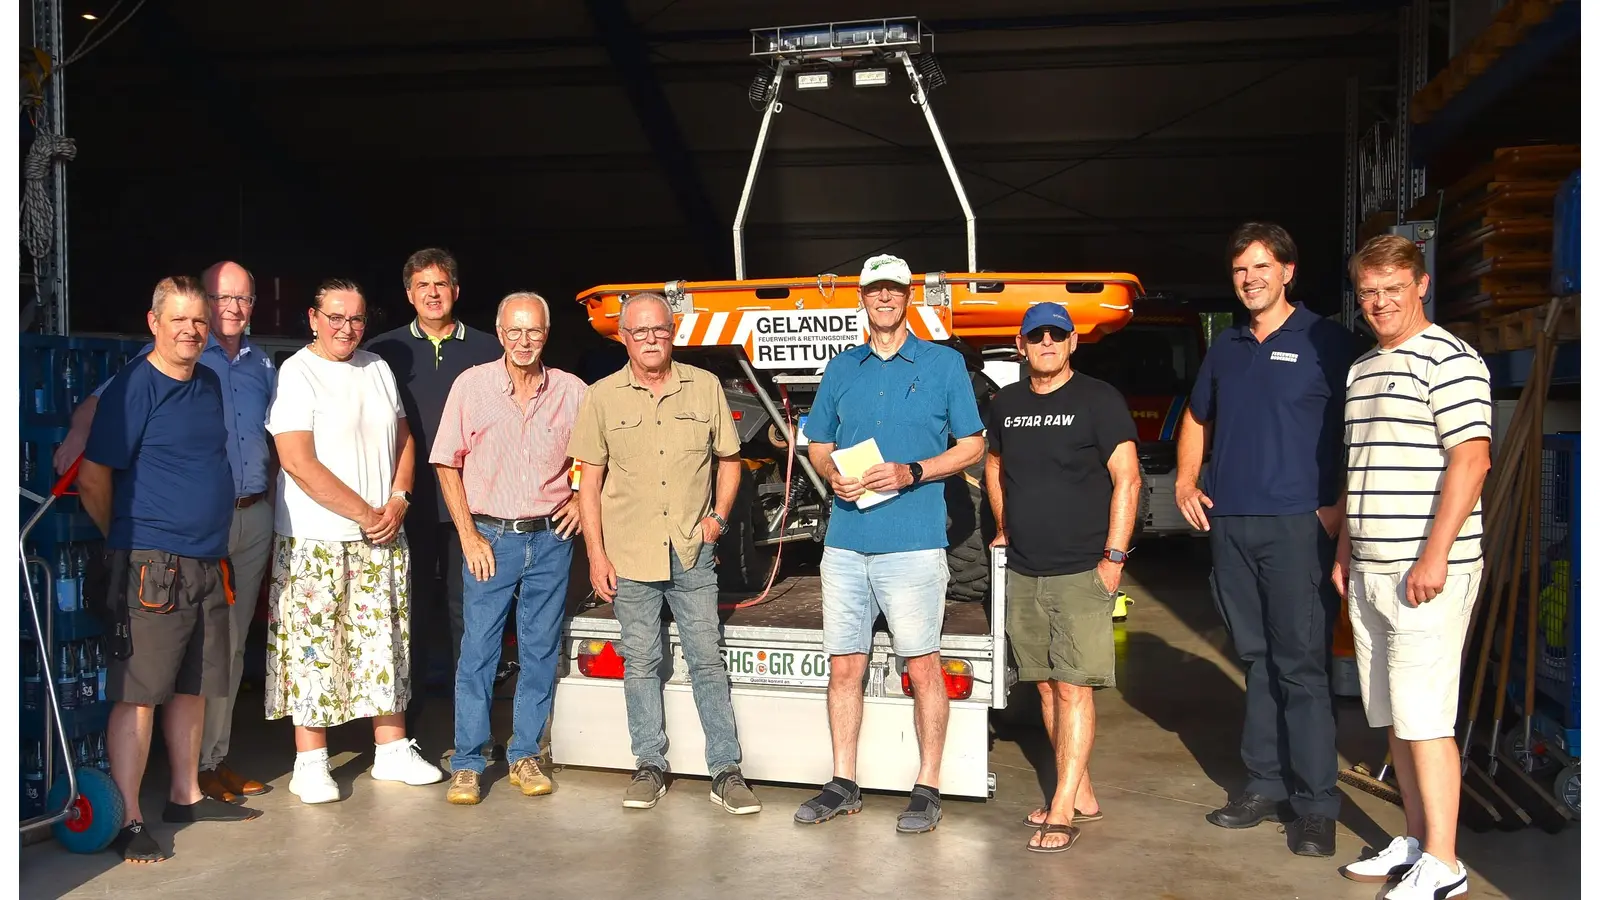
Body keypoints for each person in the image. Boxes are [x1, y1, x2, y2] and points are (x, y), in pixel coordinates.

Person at [55, 261, 278, 803]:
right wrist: (128, 539)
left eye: (198, 320)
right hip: (153, 563)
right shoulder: (135, 384)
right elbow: (92, 479)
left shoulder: (207, 380)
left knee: (195, 686)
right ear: (153, 322)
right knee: (139, 693)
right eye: (178, 319)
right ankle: (130, 815)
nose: (192, 329)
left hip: (209, 558)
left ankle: (187, 796)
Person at [1174, 222, 1358, 856]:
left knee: (1302, 667)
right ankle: (1264, 783)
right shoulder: (1224, 346)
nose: (1249, 279)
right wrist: (1186, 480)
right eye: (1239, 270)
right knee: (1255, 661)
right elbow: (1198, 416)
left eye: (1260, 267)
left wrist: (1336, 508)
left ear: (1288, 271)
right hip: (1231, 524)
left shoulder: (1330, 342)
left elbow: (1360, 425)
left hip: (1296, 526)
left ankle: (1315, 806)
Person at [794, 254, 985, 834]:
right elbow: (819, 442)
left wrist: (914, 471)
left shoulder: (944, 364)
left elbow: (973, 445)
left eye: (894, 290)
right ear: (863, 297)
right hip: (847, 542)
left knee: (922, 665)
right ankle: (843, 782)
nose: (884, 298)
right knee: (844, 666)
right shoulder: (841, 367)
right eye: (875, 289)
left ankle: (927, 786)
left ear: (909, 297)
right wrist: (831, 474)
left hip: (913, 543)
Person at [1332, 235, 1491, 900]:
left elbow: (1472, 460)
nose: (1379, 302)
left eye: (1392, 288)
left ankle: (1446, 864)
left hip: (1427, 571)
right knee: (1397, 715)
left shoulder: (1452, 361)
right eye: (1368, 291)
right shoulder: (1362, 367)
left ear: (1420, 285)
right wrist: (1344, 551)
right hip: (1371, 567)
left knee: (1427, 718)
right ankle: (1419, 840)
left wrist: (1433, 556)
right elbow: (1357, 467)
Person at [567, 292, 761, 815]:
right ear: (623, 337)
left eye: (660, 330)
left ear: (671, 333)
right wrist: (596, 554)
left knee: (706, 660)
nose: (651, 339)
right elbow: (588, 483)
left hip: (691, 551)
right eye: (640, 332)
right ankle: (649, 765)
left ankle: (725, 770)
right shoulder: (603, 397)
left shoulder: (704, 387)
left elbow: (730, 459)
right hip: (629, 554)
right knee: (642, 661)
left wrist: (717, 520)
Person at [264, 278, 445, 804]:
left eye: (358, 318)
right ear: (313, 317)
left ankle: (391, 749)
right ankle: (311, 761)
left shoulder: (377, 368)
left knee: (384, 642)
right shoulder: (297, 373)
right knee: (316, 647)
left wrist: (400, 498)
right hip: (316, 538)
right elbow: (297, 461)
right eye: (336, 317)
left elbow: (404, 437)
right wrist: (366, 513)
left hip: (383, 530)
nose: (348, 328)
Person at [984, 302, 1141, 853]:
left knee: (1074, 687)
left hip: (1082, 569)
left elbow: (1128, 478)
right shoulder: (1006, 404)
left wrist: (1114, 559)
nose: (1046, 342)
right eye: (1036, 335)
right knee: (1048, 686)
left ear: (1072, 342)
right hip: (1026, 569)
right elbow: (995, 466)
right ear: (1022, 345)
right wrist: (1005, 524)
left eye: (1056, 334)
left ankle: (1061, 808)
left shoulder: (1099, 399)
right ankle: (1084, 794)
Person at [431, 293, 586, 805]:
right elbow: (446, 463)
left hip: (551, 538)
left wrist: (584, 500)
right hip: (489, 537)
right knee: (479, 651)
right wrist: (468, 534)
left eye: (534, 333)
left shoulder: (572, 391)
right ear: (499, 334)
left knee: (540, 648)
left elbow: (598, 455)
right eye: (514, 332)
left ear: (547, 335)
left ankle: (523, 754)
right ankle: (470, 761)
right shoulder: (471, 386)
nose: (524, 342)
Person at [364, 248, 501, 740]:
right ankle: (409, 730)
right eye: (422, 286)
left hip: (473, 507)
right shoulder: (383, 351)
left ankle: (474, 728)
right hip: (407, 506)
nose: (433, 294)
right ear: (409, 294)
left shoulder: (489, 349)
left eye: (441, 284)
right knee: (410, 614)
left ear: (456, 291)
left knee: (472, 616)